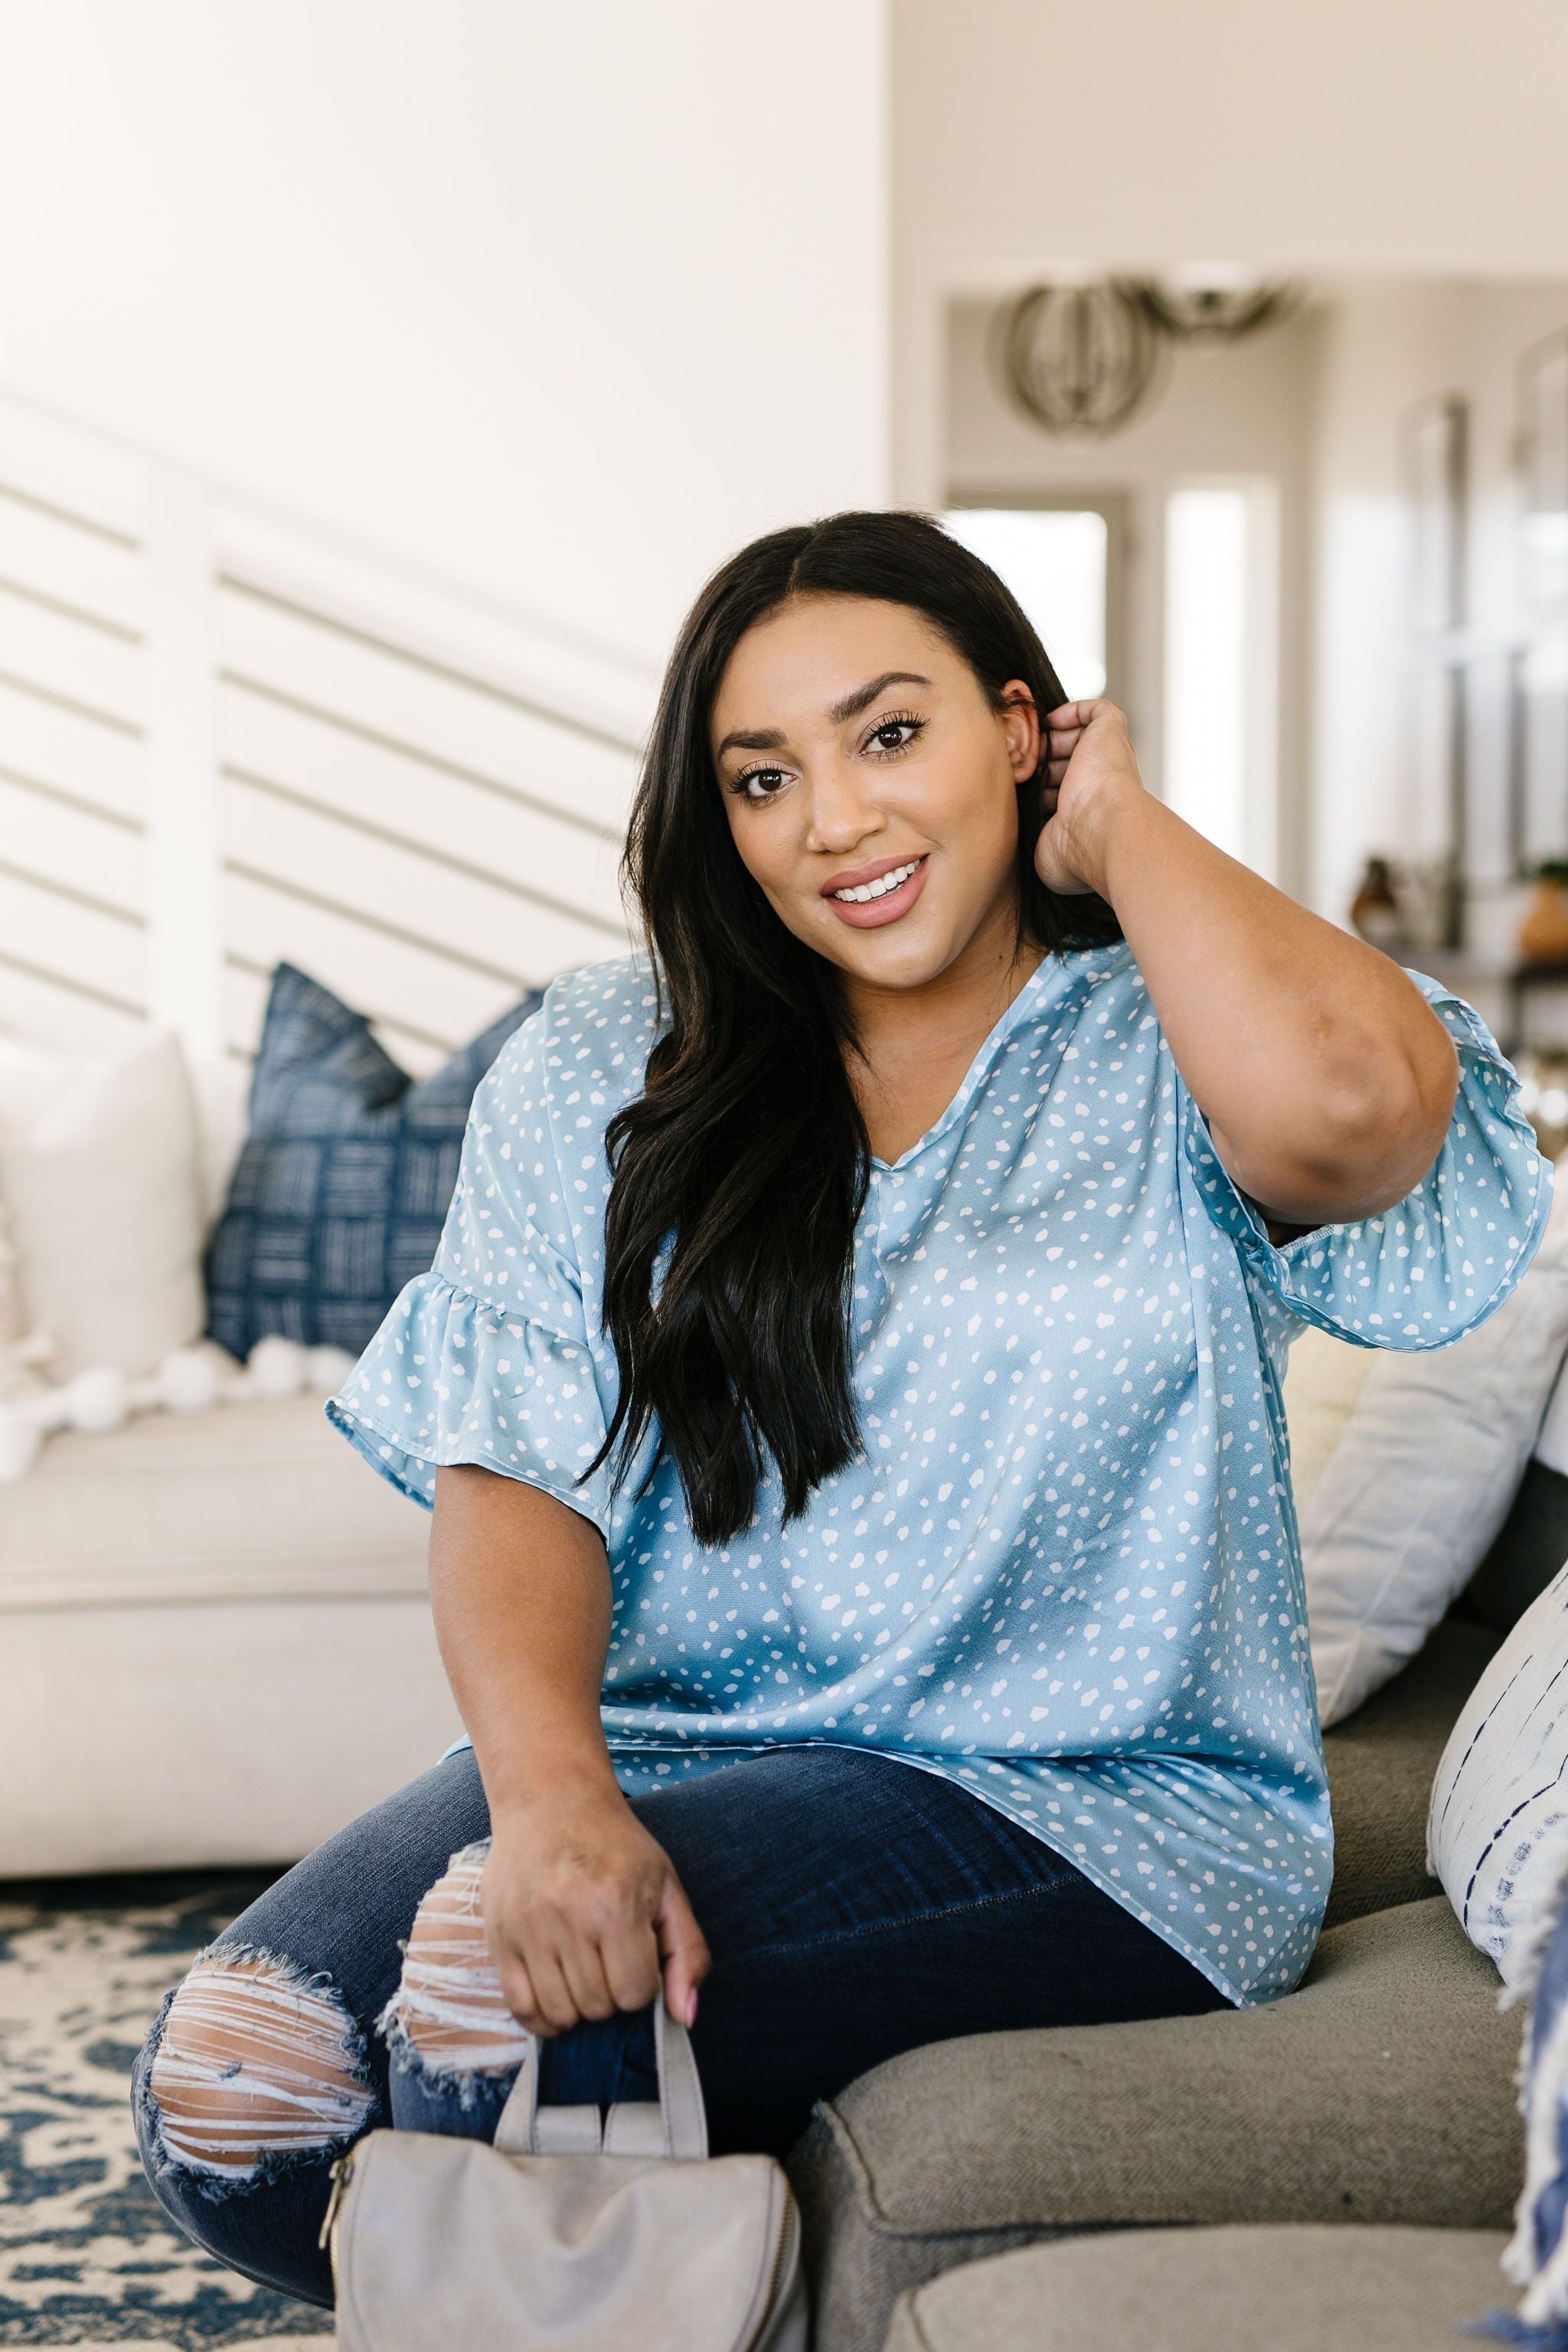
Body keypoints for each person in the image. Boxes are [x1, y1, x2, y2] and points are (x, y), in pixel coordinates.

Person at [133, 511, 1549, 2307]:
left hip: (1089, 1793)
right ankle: (722, 2279)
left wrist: (1119, 830)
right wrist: (554, 1798)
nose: (836, 822)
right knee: (238, 2092)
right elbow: (516, 1466)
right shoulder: (605, 1055)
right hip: (681, 1743)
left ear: (1020, 729)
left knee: (492, 2018)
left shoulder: (1165, 1036)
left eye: (893, 735)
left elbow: (1351, 1121)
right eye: (761, 776)